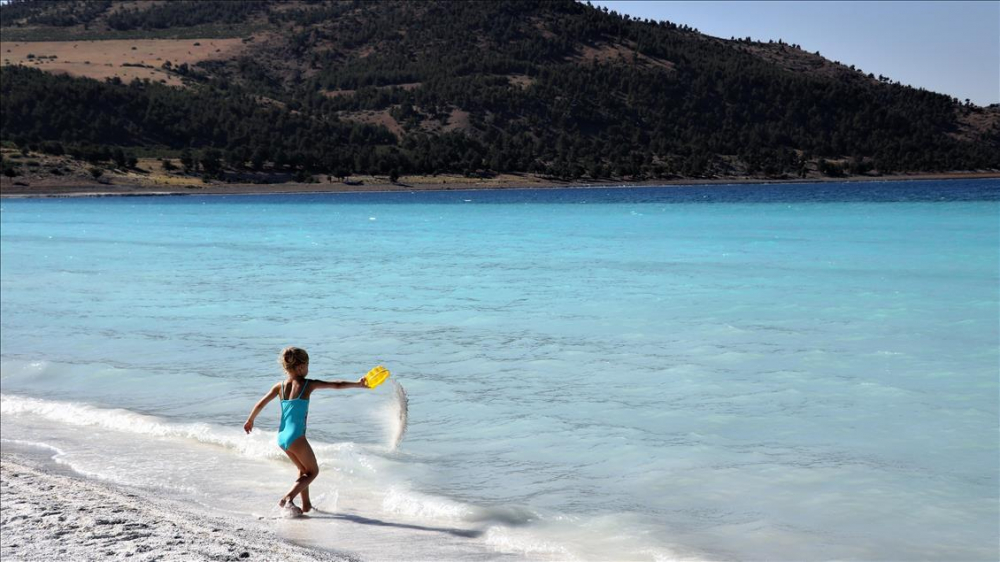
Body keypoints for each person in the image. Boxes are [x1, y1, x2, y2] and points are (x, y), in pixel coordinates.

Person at [243, 346, 368, 515]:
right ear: (301, 367)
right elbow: (337, 385)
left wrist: (250, 420)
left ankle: (306, 505)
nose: (308, 369)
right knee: (313, 471)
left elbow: (260, 404)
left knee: (303, 470)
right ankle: (287, 498)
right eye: (308, 365)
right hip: (296, 437)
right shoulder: (307, 384)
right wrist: (358, 384)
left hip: (282, 437)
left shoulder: (279, 386)